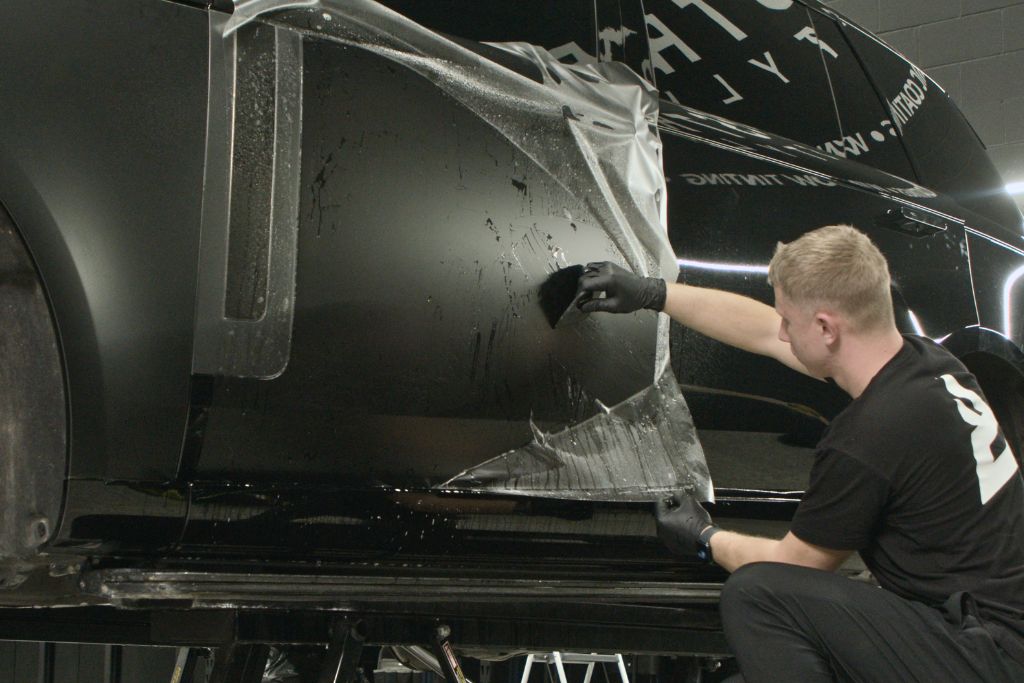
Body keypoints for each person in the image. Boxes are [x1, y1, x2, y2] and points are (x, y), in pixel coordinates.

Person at [575, 225, 1024, 682]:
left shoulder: (867, 437)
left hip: (988, 658)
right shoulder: (931, 366)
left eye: (790, 319)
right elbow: (764, 332)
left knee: (757, 594)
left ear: (827, 328)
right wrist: (655, 294)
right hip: (988, 629)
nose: (784, 332)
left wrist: (705, 538)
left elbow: (797, 567)